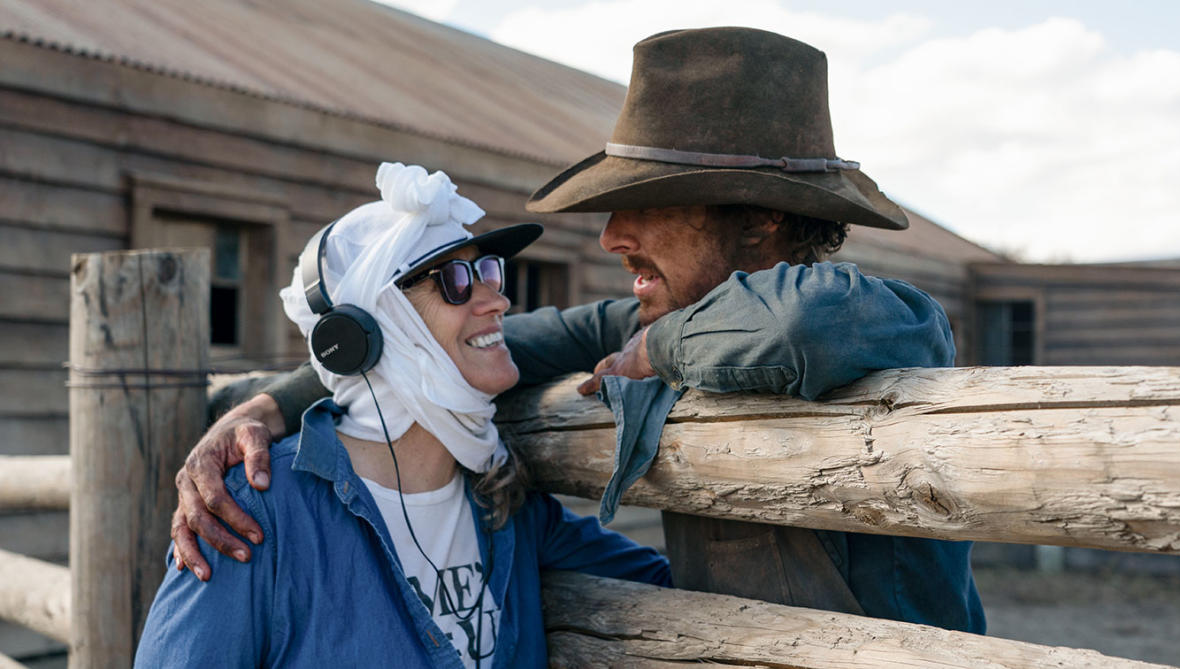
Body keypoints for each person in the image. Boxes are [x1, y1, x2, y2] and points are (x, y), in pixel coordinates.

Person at [171, 27, 985, 633]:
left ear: (762, 219)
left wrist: (652, 352)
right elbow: (461, 346)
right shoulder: (651, 316)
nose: (611, 236)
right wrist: (268, 409)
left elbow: (797, 329)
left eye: (651, 203)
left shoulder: (876, 316)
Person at [135, 163, 670, 668]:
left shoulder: (510, 509)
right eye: (456, 281)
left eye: (488, 272)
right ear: (361, 333)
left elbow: (679, 593)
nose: (497, 300)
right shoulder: (253, 512)